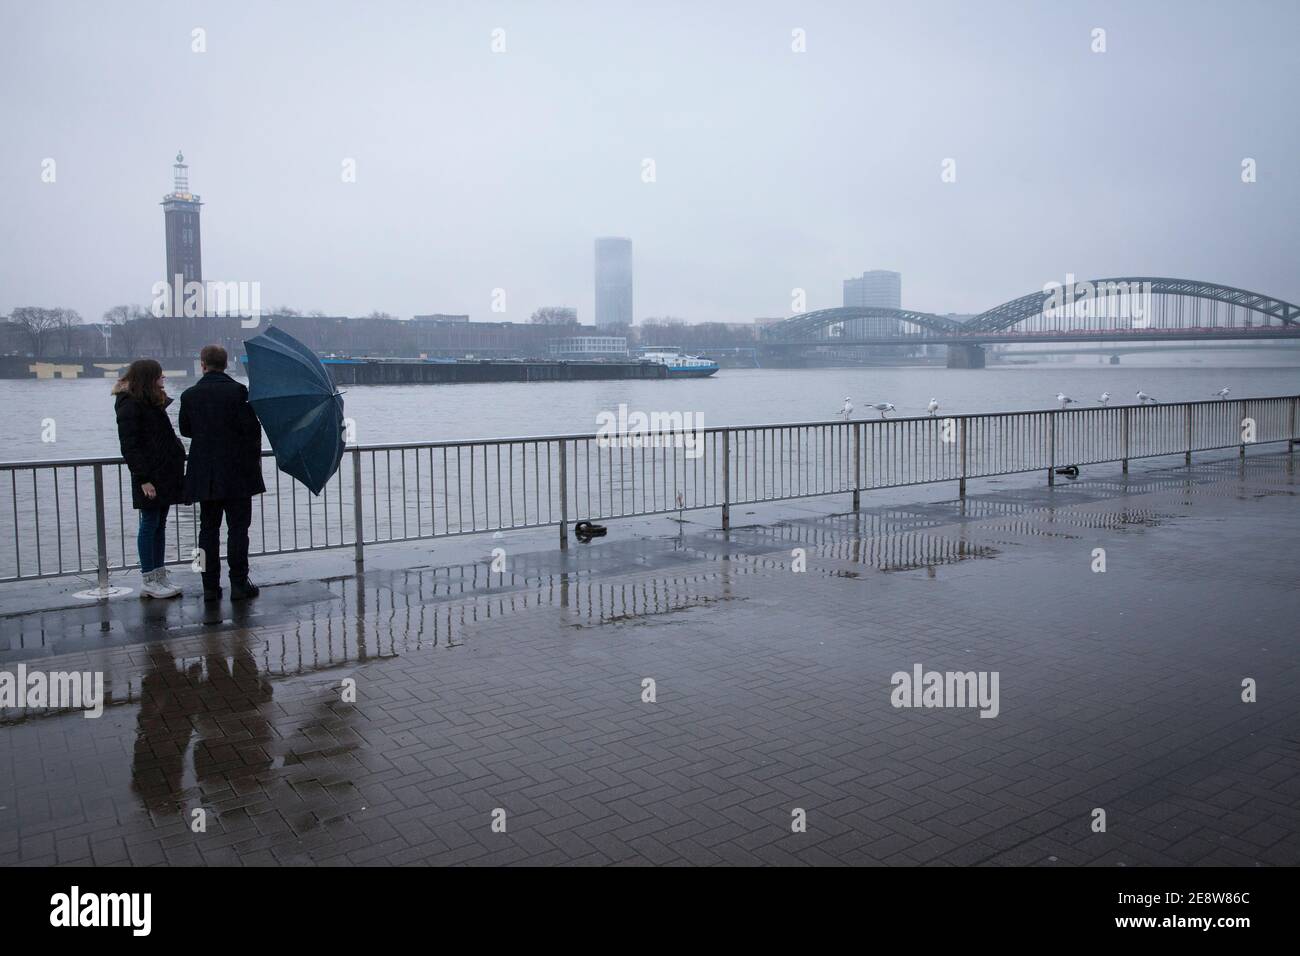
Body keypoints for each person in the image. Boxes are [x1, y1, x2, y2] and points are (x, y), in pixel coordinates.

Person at [180, 344, 267, 601]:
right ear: (226, 364)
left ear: (202, 364)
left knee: (206, 531)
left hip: (205, 474)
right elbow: (252, 431)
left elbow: (186, 430)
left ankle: (209, 586)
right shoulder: (240, 393)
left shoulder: (189, 396)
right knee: (238, 530)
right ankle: (239, 583)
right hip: (237, 473)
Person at [114, 359, 185, 599]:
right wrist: (143, 478)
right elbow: (130, 445)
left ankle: (159, 573)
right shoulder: (130, 405)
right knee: (150, 523)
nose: (163, 379)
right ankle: (149, 578)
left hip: (162, 471)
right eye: (159, 376)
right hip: (150, 475)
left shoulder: (150, 401)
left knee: (159, 524)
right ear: (148, 378)